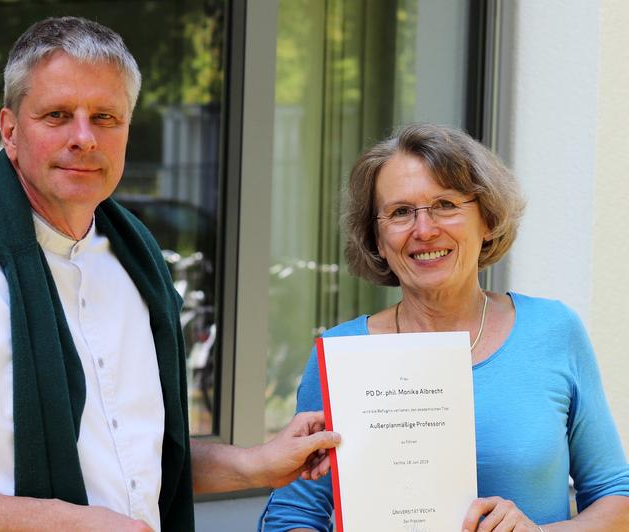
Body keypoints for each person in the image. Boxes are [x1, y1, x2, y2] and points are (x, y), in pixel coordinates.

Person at [0, 17, 339, 532]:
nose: (83, 137)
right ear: (10, 130)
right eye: (57, 115)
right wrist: (57, 524)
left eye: (104, 117)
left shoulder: (134, 263)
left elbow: (131, 463)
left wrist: (255, 464)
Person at [258, 123, 629, 531]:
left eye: (446, 205)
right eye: (400, 212)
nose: (424, 229)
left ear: (487, 220)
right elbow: (292, 516)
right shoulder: (342, 354)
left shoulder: (553, 330)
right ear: (377, 239)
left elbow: (617, 498)